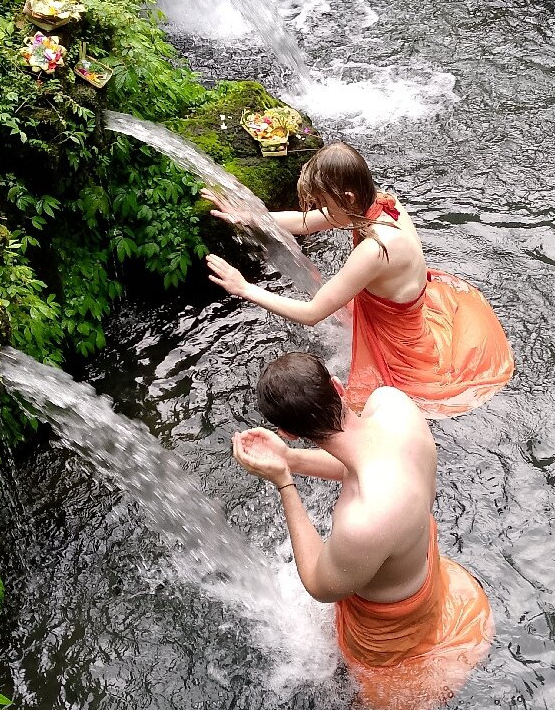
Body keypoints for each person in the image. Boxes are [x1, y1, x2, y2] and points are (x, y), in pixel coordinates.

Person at [233, 352, 493, 709]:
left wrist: (284, 483)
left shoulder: (363, 521)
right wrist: (290, 459)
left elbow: (320, 586)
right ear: (337, 387)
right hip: (423, 567)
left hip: (391, 637)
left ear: (289, 432)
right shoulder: (392, 405)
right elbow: (361, 464)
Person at [204, 142, 514, 417]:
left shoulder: (375, 250)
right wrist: (249, 217)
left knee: (368, 406)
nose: (321, 210)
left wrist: (244, 288)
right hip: (407, 305)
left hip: (401, 347)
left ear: (348, 197)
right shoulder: (381, 203)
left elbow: (312, 313)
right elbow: (307, 223)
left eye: (324, 202)